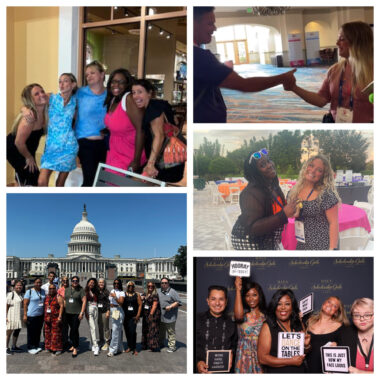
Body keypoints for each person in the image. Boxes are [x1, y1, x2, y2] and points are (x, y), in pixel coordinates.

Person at [193, 7, 297, 123]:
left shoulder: (197, 55)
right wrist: (282, 78)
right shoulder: (200, 57)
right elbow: (245, 85)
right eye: (210, 24)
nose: (214, 28)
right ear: (194, 24)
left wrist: (224, 72)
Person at [288, 22, 373, 123]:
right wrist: (294, 87)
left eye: (342, 39)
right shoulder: (334, 70)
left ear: (357, 41)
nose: (337, 44)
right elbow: (321, 100)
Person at [231, 149, 298, 250]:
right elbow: (252, 228)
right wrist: (283, 214)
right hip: (248, 240)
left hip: (266, 237)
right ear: (255, 172)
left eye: (269, 160)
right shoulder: (250, 193)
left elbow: (280, 209)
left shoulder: (272, 186)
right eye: (262, 165)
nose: (269, 165)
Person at [132, 79, 186, 183]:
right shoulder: (160, 104)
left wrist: (150, 165)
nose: (135, 96)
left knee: (135, 180)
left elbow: (159, 136)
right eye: (133, 92)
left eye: (140, 92)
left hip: (166, 163)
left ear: (149, 93)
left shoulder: (153, 109)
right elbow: (173, 121)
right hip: (174, 159)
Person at [287, 154, 340, 250]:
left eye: (319, 170)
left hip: (323, 245)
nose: (313, 170)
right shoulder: (295, 190)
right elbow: (290, 215)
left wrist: (332, 250)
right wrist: (294, 212)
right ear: (306, 166)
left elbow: (334, 223)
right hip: (303, 243)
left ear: (324, 175)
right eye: (311, 165)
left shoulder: (326, 194)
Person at [38, 73, 78, 186]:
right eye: (60, 81)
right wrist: (24, 110)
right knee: (41, 181)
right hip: (51, 147)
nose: (61, 84)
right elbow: (32, 101)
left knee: (60, 184)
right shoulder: (52, 97)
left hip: (68, 147)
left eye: (65, 81)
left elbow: (77, 122)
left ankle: (56, 203)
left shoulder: (75, 102)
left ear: (73, 84)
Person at [257, 289, 310, 373]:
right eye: (279, 304)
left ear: (292, 307)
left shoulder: (298, 323)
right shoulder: (268, 326)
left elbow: (304, 352)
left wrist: (306, 345)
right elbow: (262, 359)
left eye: (287, 304)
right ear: (274, 306)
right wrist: (290, 361)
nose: (283, 307)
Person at [104, 68, 146, 173]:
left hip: (128, 154)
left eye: (121, 82)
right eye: (113, 81)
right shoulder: (113, 99)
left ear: (128, 84)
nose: (116, 85)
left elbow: (141, 129)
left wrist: (136, 161)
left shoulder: (129, 99)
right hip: (114, 152)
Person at [7, 83, 48, 186]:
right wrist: (29, 157)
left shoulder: (44, 111)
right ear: (31, 100)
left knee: (23, 178)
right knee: (33, 181)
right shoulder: (30, 118)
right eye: (36, 94)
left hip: (28, 148)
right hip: (15, 149)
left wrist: (23, 108)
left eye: (42, 91)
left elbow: (58, 95)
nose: (42, 94)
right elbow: (18, 143)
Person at [75, 60, 107, 186]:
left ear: (102, 74)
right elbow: (59, 98)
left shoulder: (110, 94)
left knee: (101, 180)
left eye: (92, 73)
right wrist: (26, 108)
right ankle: (84, 205)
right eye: (87, 74)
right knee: (90, 180)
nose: (88, 76)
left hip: (104, 144)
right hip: (85, 142)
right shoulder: (80, 93)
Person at [196, 285, 237, 373]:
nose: (217, 303)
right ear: (208, 301)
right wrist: (197, 363)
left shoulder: (232, 323)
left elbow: (234, 346)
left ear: (226, 302)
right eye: (213, 299)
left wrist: (232, 355)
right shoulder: (196, 319)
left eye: (221, 299)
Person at [305, 296, 349, 373]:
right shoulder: (308, 321)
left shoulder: (341, 327)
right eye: (329, 302)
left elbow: (346, 351)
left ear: (336, 312)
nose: (330, 306)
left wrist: (338, 346)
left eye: (335, 306)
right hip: (306, 368)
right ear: (323, 303)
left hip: (327, 372)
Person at [234, 277, 266, 373]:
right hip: (243, 358)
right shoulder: (242, 315)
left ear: (259, 296)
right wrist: (238, 290)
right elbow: (238, 316)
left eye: (254, 295)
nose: (251, 299)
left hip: (261, 358)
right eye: (247, 295)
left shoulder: (266, 317)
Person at [340, 298, 374, 373]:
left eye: (367, 315)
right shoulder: (346, 334)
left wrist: (361, 373)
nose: (362, 319)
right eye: (357, 315)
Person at [157, 277, 182, 353]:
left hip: (170, 316)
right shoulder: (158, 291)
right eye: (162, 283)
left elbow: (178, 302)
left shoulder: (172, 292)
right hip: (161, 316)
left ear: (168, 283)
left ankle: (172, 346)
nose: (164, 284)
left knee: (170, 332)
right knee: (161, 332)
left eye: (165, 283)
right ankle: (161, 343)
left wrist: (170, 306)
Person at [64, 276, 86, 357]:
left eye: (76, 280)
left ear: (78, 281)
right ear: (71, 281)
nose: (75, 282)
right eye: (73, 280)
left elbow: (84, 301)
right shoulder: (67, 290)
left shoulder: (81, 290)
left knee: (74, 329)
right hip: (68, 313)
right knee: (72, 329)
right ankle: (73, 344)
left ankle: (75, 347)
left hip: (77, 313)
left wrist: (81, 313)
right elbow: (64, 300)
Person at [23, 278, 46, 354]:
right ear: (34, 283)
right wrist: (25, 315)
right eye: (37, 282)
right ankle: (30, 347)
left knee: (38, 331)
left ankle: (36, 345)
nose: (38, 284)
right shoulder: (29, 292)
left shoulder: (43, 291)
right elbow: (25, 304)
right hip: (31, 315)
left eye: (40, 282)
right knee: (31, 332)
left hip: (40, 315)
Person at [122, 281, 142, 355]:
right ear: (127, 287)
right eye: (129, 286)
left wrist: (138, 315)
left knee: (132, 332)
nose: (131, 287)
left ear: (134, 287)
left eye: (132, 286)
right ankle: (129, 346)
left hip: (134, 317)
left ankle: (134, 348)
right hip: (126, 317)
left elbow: (140, 305)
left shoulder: (137, 295)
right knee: (127, 332)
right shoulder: (124, 294)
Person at [44, 284, 64, 355]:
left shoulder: (58, 296)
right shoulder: (47, 297)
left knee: (56, 333)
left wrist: (60, 316)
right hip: (47, 318)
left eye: (53, 288)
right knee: (47, 333)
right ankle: (48, 347)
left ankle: (58, 348)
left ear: (55, 289)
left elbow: (62, 306)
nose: (51, 290)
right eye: (50, 288)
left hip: (55, 318)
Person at [141, 281, 161, 352]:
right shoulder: (145, 293)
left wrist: (151, 314)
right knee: (145, 329)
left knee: (152, 330)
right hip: (145, 314)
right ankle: (145, 345)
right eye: (149, 286)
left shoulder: (155, 294)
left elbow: (155, 305)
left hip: (153, 315)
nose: (150, 288)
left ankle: (153, 346)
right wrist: (142, 297)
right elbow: (140, 299)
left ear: (154, 287)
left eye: (152, 286)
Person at [107, 278, 125, 357]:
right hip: (113, 310)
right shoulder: (112, 291)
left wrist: (114, 297)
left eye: (118, 283)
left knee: (115, 330)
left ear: (120, 284)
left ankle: (112, 350)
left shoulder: (121, 292)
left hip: (118, 310)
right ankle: (120, 347)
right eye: (115, 283)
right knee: (117, 330)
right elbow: (110, 302)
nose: (116, 285)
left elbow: (121, 302)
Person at [6, 280, 24, 355]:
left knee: (16, 331)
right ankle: (5, 348)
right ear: (14, 286)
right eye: (17, 285)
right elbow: (6, 305)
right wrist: (5, 316)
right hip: (11, 315)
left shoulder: (20, 295)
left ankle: (14, 346)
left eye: (20, 285)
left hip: (17, 316)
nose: (19, 287)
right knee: (8, 333)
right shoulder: (11, 294)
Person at [85, 278, 100, 356]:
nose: (91, 284)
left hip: (96, 308)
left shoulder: (96, 291)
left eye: (93, 283)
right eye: (90, 282)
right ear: (88, 283)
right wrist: (85, 313)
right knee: (93, 327)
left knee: (93, 327)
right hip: (89, 309)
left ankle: (91, 344)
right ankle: (96, 346)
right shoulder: (85, 292)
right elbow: (84, 303)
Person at [97, 278, 110, 351]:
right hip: (98, 311)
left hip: (105, 311)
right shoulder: (97, 291)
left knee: (106, 327)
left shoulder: (106, 292)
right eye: (99, 282)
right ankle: (101, 340)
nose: (101, 283)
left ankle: (107, 342)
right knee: (100, 327)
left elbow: (109, 302)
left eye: (102, 282)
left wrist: (108, 311)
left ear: (104, 283)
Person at [57, 276, 70, 350]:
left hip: (71, 310)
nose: (65, 282)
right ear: (61, 281)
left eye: (66, 281)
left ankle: (67, 340)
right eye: (64, 281)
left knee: (70, 326)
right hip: (63, 310)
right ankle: (63, 341)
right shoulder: (59, 290)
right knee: (64, 326)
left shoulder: (71, 289)